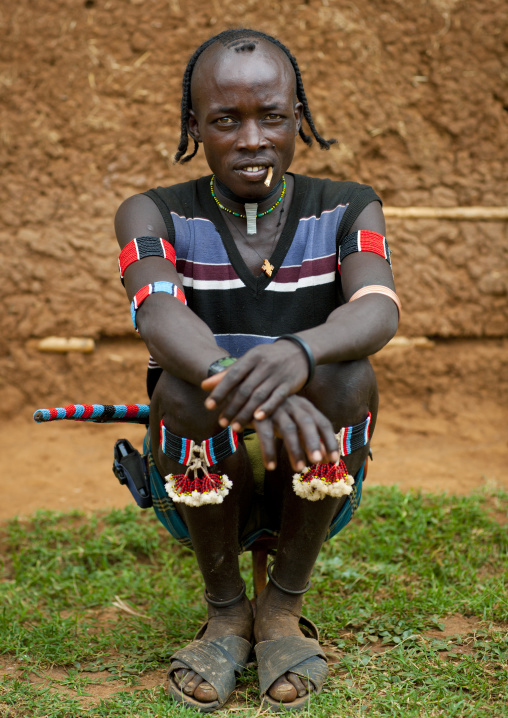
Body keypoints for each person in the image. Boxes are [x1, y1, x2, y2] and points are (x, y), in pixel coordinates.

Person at [114, 28, 400, 713]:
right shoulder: (152, 212)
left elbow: (379, 308)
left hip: (313, 470)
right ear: (193, 126)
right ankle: (225, 611)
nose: (251, 138)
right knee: (182, 388)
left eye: (271, 116)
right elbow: (157, 314)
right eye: (225, 120)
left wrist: (298, 354)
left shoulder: (346, 206)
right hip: (201, 467)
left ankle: (281, 607)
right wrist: (257, 390)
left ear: (298, 115)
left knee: (347, 377)